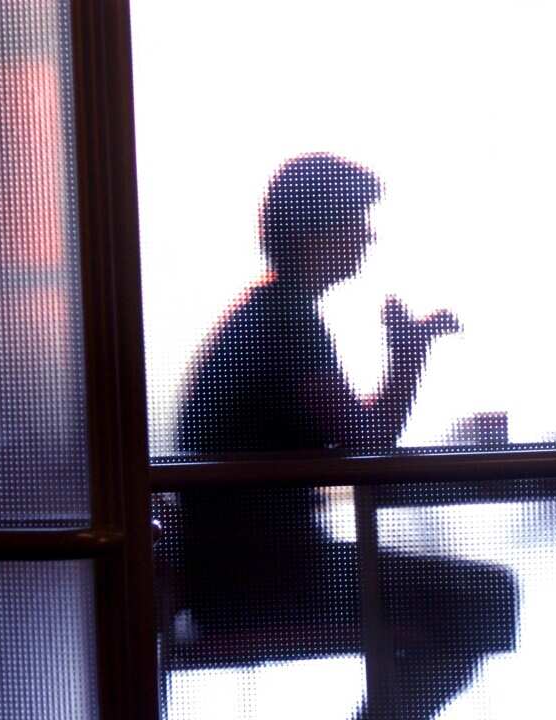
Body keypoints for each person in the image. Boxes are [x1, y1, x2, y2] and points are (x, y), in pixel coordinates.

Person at [171, 153, 516, 720]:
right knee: (485, 599)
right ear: (311, 230)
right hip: (267, 584)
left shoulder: (268, 312)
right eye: (355, 217)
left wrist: (407, 355)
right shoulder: (287, 318)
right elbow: (368, 439)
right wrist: (409, 355)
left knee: (477, 599)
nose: (367, 234)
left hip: (237, 578)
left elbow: (360, 437)